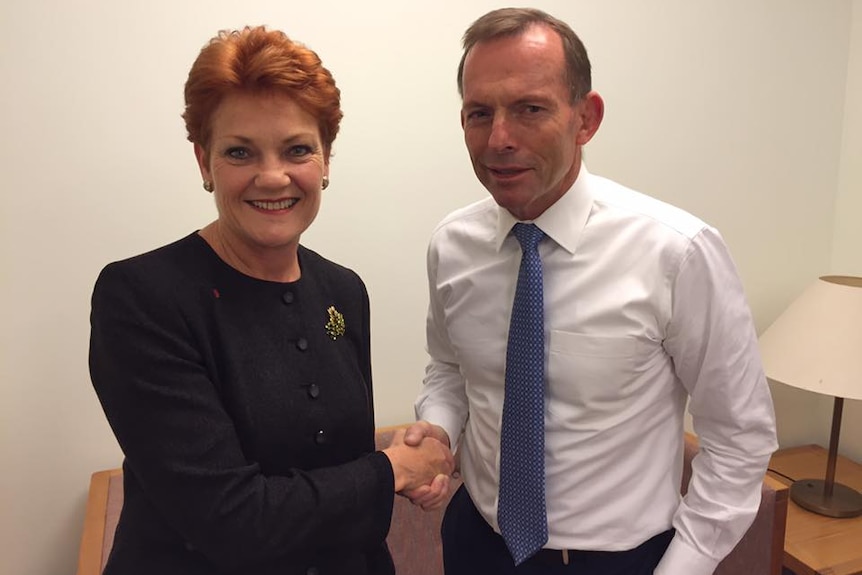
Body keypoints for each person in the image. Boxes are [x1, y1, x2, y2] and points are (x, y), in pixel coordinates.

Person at [405, 8, 778, 575]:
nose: (499, 138)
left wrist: (685, 566)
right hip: (477, 541)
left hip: (622, 560)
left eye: (530, 109)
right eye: (480, 113)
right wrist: (437, 427)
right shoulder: (452, 245)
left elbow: (739, 438)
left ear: (587, 118)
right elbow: (448, 368)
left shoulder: (677, 252)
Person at [89, 26, 453, 575]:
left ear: (325, 160)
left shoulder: (343, 291)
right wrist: (394, 471)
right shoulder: (142, 297)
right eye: (240, 152)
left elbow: (346, 482)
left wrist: (414, 465)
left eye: (297, 149)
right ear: (203, 163)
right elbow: (233, 522)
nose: (273, 176)